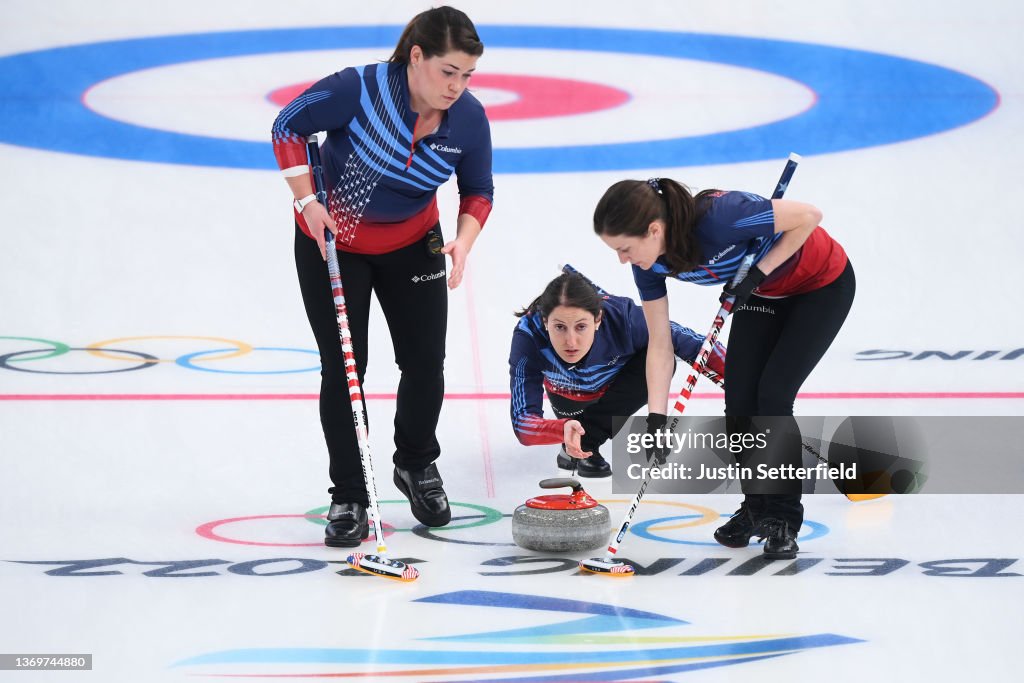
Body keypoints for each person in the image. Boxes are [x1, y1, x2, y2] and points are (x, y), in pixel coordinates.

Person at [271, 7, 493, 547]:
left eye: (467, 75)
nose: (456, 87)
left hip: (415, 245)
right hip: (334, 244)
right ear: (416, 56)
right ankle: (348, 492)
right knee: (348, 369)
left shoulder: (468, 118)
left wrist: (463, 240)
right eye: (447, 72)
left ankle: (415, 464)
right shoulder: (360, 89)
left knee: (424, 361)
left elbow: (478, 189)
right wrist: (306, 201)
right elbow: (287, 126)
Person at [593, 178, 855, 559]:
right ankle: (757, 506)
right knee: (739, 401)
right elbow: (661, 344)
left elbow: (809, 217)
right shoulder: (649, 265)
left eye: (624, 248)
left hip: (819, 286)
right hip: (760, 293)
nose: (622, 259)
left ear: (653, 230)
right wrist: (656, 418)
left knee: (771, 398)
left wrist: (760, 272)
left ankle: (782, 517)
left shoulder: (724, 218)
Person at [509, 271, 726, 477]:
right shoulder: (528, 335)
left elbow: (698, 345)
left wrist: (743, 381)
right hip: (567, 401)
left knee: (661, 355)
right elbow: (523, 423)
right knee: (572, 422)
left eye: (581, 327)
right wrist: (562, 428)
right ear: (545, 322)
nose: (571, 341)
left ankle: (586, 439)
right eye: (560, 327)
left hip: (613, 391)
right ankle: (579, 436)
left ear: (598, 319)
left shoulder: (626, 319)